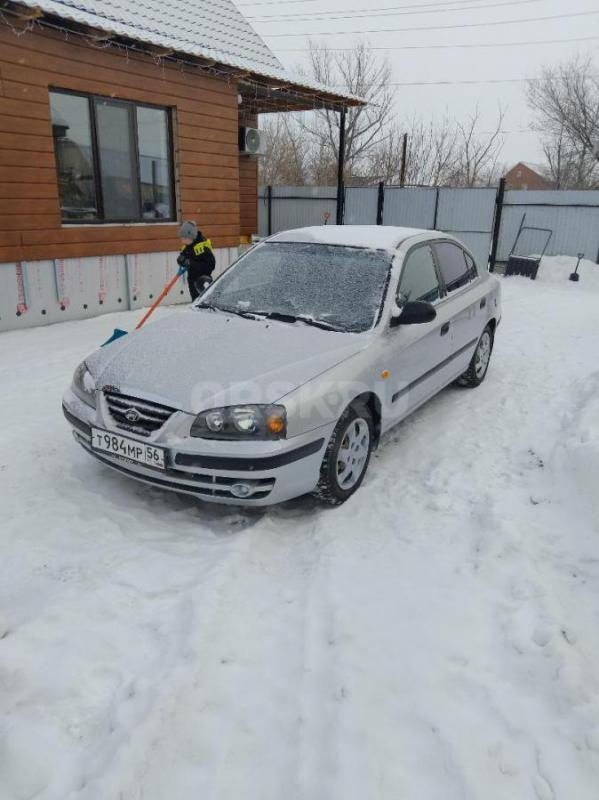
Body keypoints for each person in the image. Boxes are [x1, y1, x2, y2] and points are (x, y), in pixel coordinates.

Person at [177, 221, 216, 301]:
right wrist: (181, 260)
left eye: (184, 238)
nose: (182, 241)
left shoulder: (202, 248)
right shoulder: (188, 246)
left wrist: (191, 264)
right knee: (195, 301)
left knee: (204, 302)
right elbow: (183, 256)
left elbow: (210, 265)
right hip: (192, 281)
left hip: (203, 281)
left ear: (190, 237)